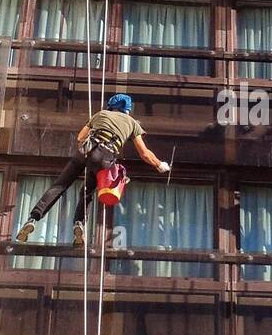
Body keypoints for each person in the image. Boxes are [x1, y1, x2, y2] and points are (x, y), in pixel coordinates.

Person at [15, 93, 170, 248]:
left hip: (86, 150)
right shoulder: (132, 123)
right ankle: (79, 224)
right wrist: (159, 165)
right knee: (87, 192)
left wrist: (85, 156)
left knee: (60, 185)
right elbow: (144, 153)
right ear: (128, 109)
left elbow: (80, 137)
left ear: (111, 106)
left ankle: (33, 218)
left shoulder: (101, 114)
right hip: (105, 157)